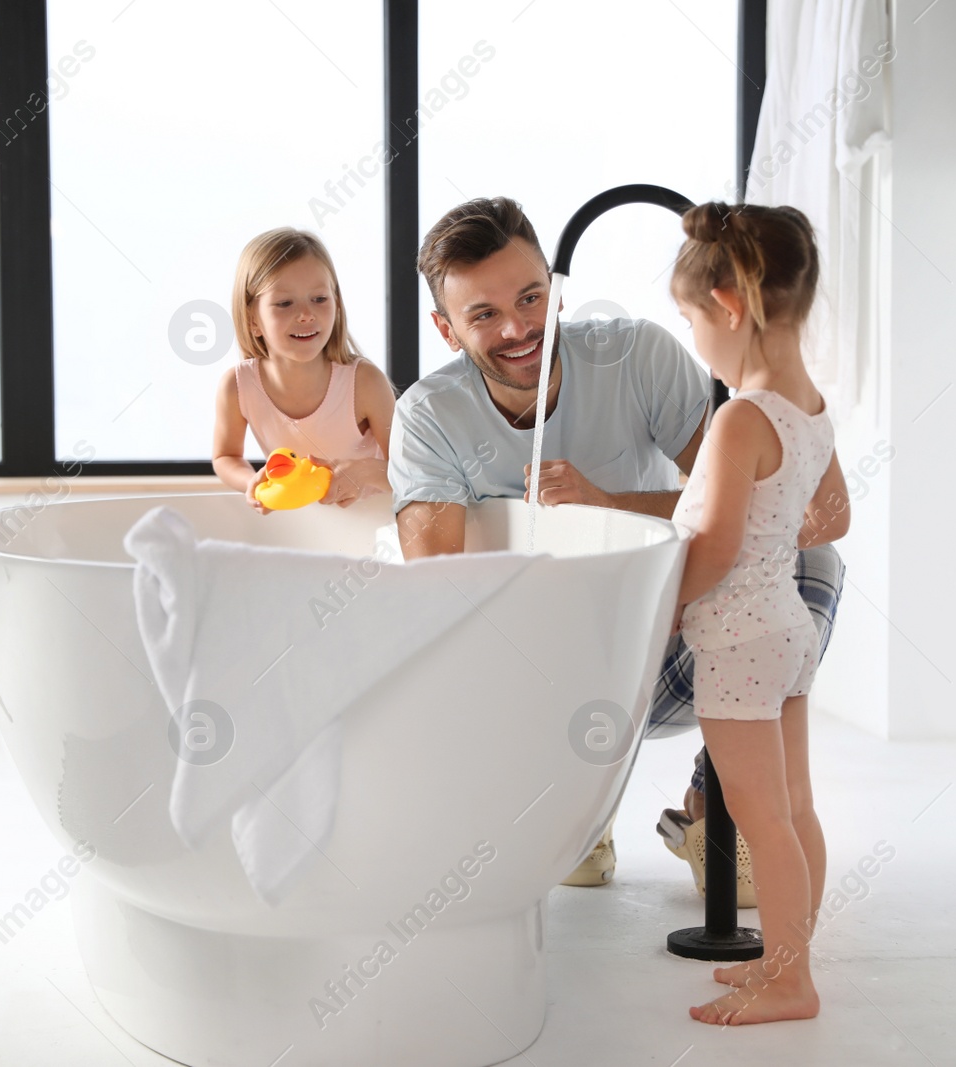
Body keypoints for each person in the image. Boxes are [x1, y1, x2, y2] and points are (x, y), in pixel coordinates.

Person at [388, 196, 846, 896]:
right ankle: (577, 799)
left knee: (810, 565)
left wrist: (609, 508)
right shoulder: (427, 419)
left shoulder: (638, 356)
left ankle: (713, 805)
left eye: (531, 297)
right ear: (446, 330)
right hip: (538, 674)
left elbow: (767, 506)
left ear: (555, 288)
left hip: (664, 643)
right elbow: (441, 592)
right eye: (483, 314)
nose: (518, 327)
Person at [669, 201, 847, 1025]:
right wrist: (792, 530)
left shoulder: (741, 416)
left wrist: (660, 614)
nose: (693, 336)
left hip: (738, 640)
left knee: (760, 818)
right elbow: (834, 511)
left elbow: (713, 543)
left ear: (729, 307)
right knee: (795, 808)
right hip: (789, 632)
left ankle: (788, 981)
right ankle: (789, 960)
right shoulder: (807, 402)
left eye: (690, 318)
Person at [212, 228, 394, 512]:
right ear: (252, 320)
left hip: (371, 524)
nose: (306, 314)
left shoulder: (364, 382)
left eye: (319, 299)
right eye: (285, 303)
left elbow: (413, 471)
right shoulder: (237, 386)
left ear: (336, 303)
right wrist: (253, 482)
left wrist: (366, 473)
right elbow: (225, 456)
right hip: (299, 526)